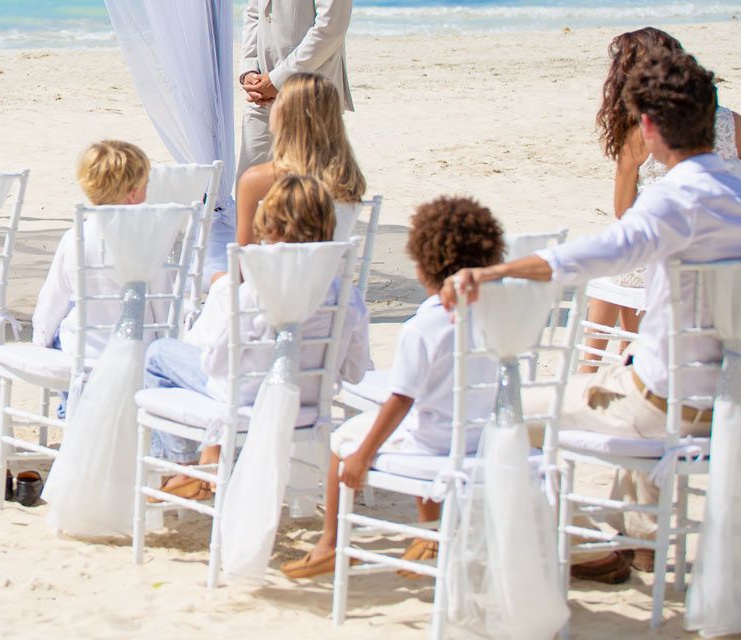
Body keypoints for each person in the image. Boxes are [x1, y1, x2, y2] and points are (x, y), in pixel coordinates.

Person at [440, 47, 741, 584]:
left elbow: (598, 254)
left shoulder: (674, 198)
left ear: (648, 127)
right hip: (736, 404)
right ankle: (644, 542)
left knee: (503, 408)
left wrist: (492, 272)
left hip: (667, 407)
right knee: (633, 369)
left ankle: (584, 550)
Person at [282, 194, 504, 580]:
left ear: (423, 263)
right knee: (423, 415)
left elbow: (401, 399)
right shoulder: (495, 315)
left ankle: (330, 544)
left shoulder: (424, 325)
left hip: (432, 442)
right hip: (478, 436)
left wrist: (362, 456)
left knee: (344, 440)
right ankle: (429, 531)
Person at [143, 172, 371, 501]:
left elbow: (217, 364)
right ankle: (201, 459)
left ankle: (184, 466)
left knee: (159, 354)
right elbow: (355, 370)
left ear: (272, 226)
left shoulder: (255, 290)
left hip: (246, 397)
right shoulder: (346, 295)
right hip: (310, 402)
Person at [582, 27, 741, 369]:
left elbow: (622, 210)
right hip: (727, 253)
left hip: (669, 259)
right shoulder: (734, 122)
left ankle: (594, 366)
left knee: (619, 261)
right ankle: (628, 359)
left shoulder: (642, 134)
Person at [230, 0, 353, 262]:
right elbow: (253, 10)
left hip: (307, 96)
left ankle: (311, 271)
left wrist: (278, 79)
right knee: (250, 181)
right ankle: (252, 274)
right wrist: (249, 69)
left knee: (309, 188)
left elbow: (330, 28)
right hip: (259, 93)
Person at [30, 141, 173, 362]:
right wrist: (167, 344)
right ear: (133, 194)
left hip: (81, 350)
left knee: (66, 316)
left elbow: (53, 297)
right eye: (147, 184)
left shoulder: (76, 236)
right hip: (137, 351)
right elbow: (163, 302)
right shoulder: (151, 239)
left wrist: (41, 339)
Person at [232, 72, 367, 256]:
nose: (272, 104)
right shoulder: (348, 178)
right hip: (328, 282)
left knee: (215, 274)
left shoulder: (258, 179)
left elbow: (245, 261)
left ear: (288, 115)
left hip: (274, 282)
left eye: (278, 99)